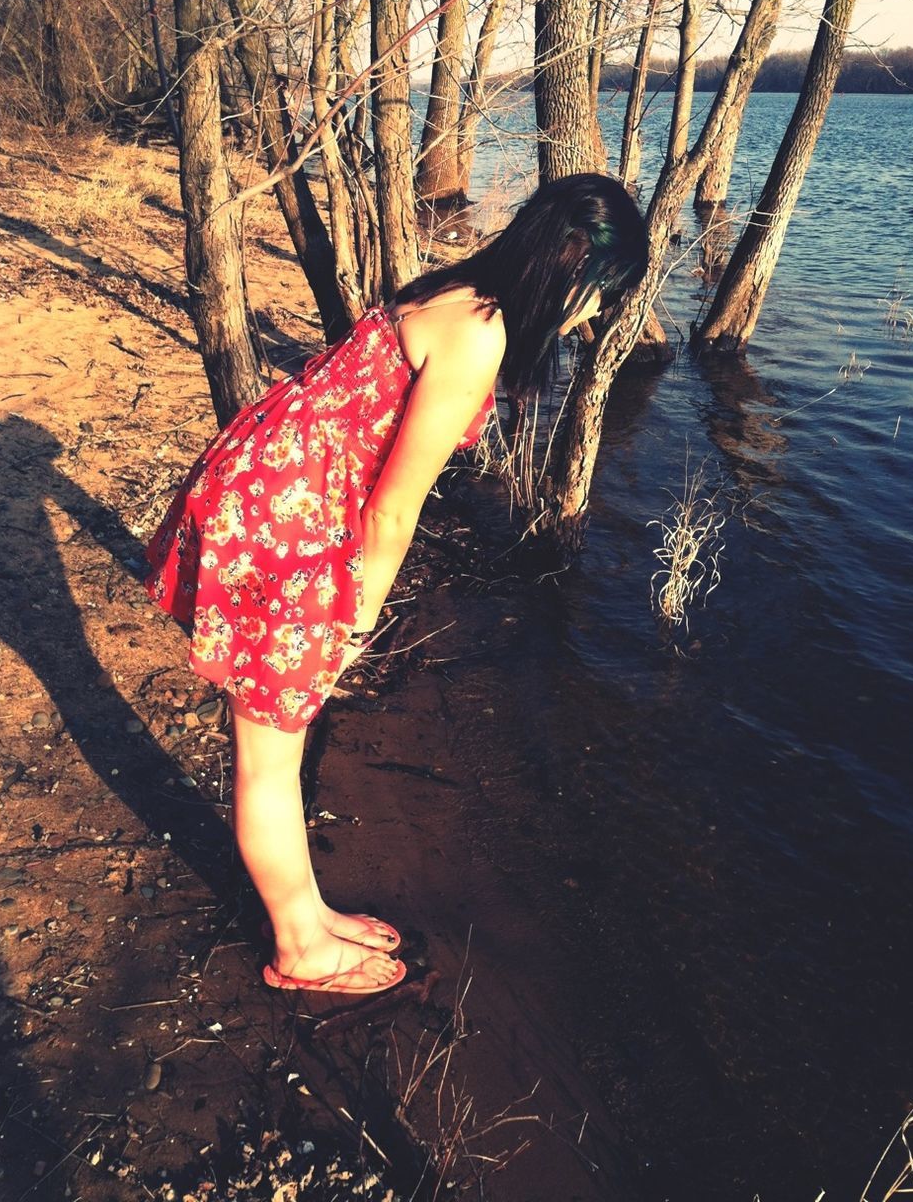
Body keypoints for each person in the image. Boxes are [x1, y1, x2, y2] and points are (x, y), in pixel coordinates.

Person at [144, 173, 649, 995]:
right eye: (596, 298)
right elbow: (392, 509)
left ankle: (308, 913)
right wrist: (353, 625)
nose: (591, 319)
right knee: (269, 754)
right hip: (283, 522)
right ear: (568, 272)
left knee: (277, 737)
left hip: (263, 487)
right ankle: (299, 949)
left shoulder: (458, 289)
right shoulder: (481, 335)